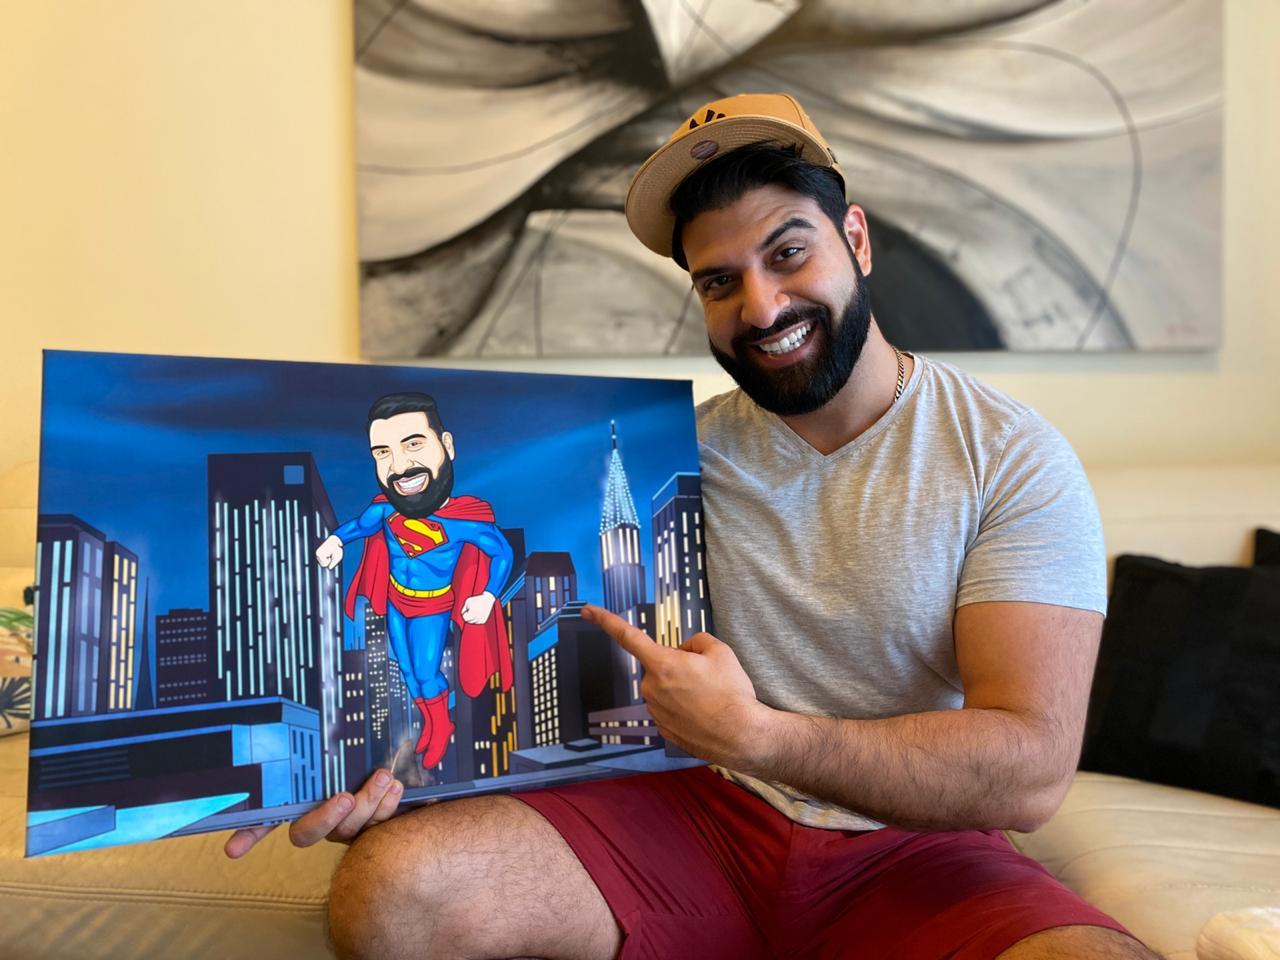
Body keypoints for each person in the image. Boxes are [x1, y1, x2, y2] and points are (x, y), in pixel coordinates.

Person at [226, 93, 1157, 960]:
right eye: (720, 281)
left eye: (789, 253)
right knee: (390, 894)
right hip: (691, 815)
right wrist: (373, 764)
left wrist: (760, 737)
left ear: (857, 241)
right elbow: (504, 657)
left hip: (911, 847)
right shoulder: (677, 459)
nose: (761, 307)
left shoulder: (1011, 456)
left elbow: (1032, 772)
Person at [321, 391, 514, 769]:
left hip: (433, 606)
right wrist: (336, 539)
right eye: (382, 452)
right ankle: (432, 719)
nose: (399, 465)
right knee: (408, 672)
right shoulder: (385, 512)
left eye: (413, 444)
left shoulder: (465, 521)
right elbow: (360, 526)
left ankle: (442, 724)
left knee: (426, 671)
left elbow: (502, 553)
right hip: (396, 601)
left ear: (447, 446)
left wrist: (489, 595)